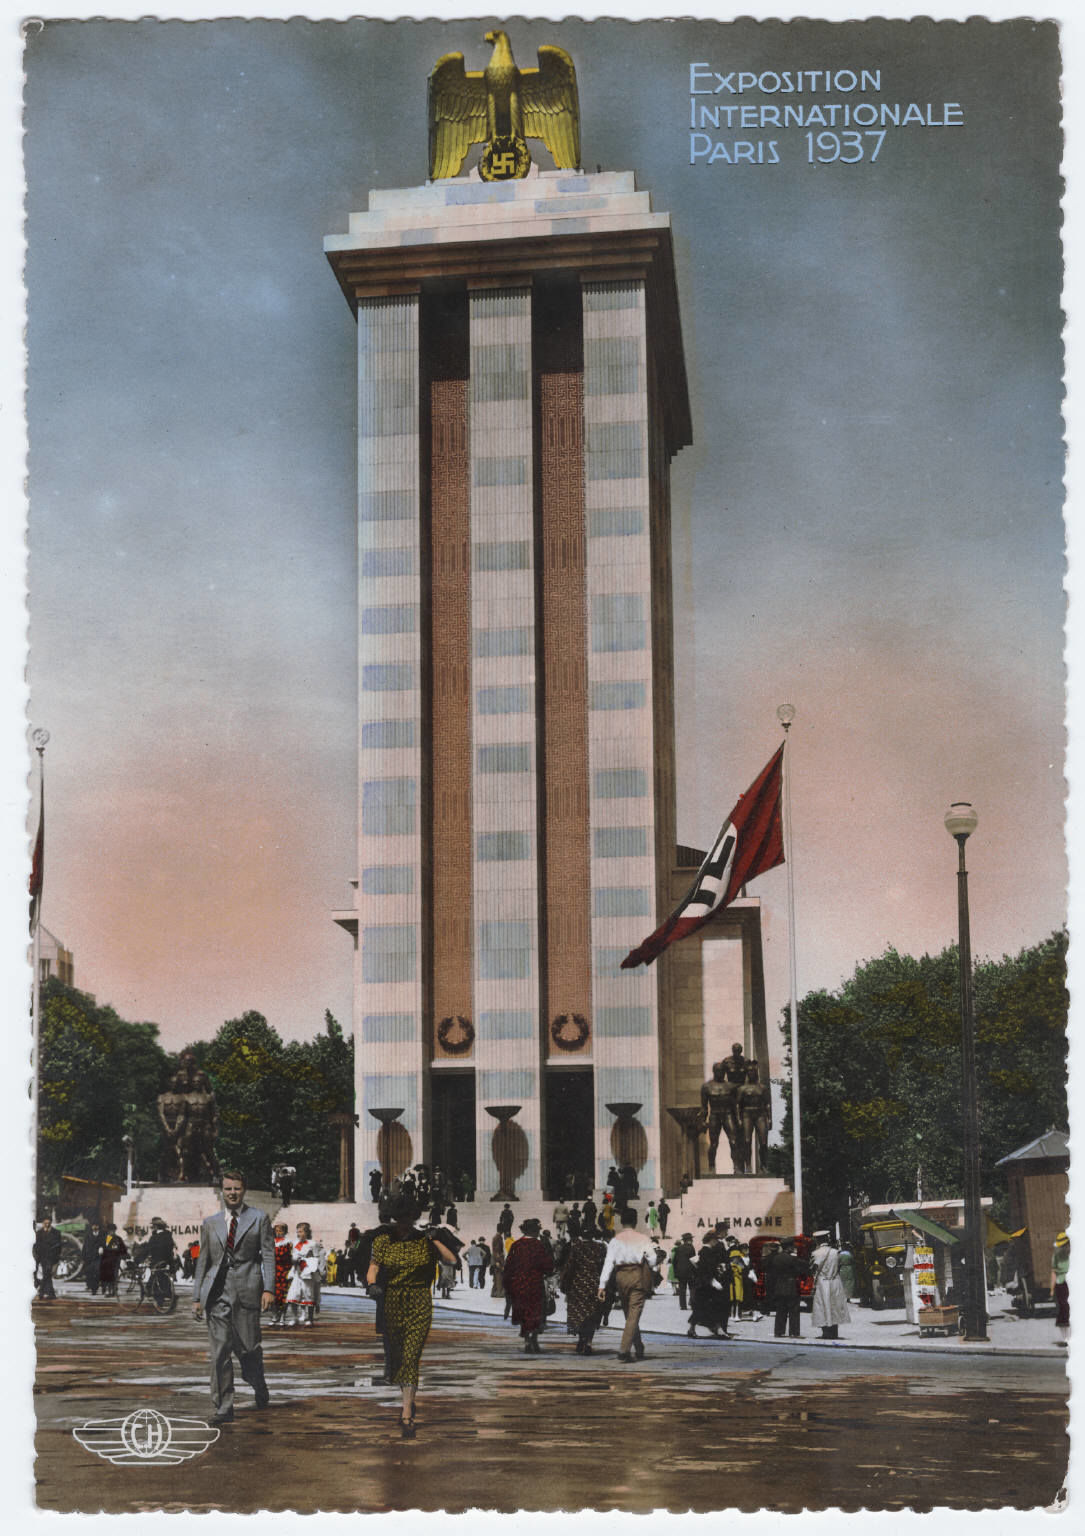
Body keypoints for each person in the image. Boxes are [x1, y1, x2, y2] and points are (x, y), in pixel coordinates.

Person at [367, 1191, 459, 1437]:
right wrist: (372, 1284)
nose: (403, 1222)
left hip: (419, 1300)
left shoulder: (425, 1240)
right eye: (399, 1218)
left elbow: (451, 1261)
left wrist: (436, 1240)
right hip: (392, 1301)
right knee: (398, 1356)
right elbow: (373, 1267)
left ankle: (406, 1410)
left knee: (411, 1355)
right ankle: (408, 1398)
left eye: (407, 1217)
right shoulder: (382, 1241)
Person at [192, 1169, 274, 1425]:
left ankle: (258, 1383)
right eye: (228, 1189)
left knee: (249, 1349)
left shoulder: (259, 1218)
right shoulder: (210, 1223)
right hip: (217, 1294)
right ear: (221, 1191)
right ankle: (224, 1406)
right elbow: (203, 1262)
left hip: (248, 1290)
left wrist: (269, 1289)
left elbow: (268, 1255)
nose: (232, 1193)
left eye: (237, 1188)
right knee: (219, 1352)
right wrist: (197, 1297)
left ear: (244, 1190)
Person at [598, 1208, 659, 1363]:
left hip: (620, 1276)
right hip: (637, 1275)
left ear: (621, 1221)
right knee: (634, 1313)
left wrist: (602, 1285)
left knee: (630, 1314)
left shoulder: (615, 1240)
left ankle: (638, 1346)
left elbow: (608, 1263)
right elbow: (652, 1261)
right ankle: (624, 1350)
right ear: (636, 1220)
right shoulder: (643, 1238)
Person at [502, 1218, 555, 1353]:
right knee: (536, 1312)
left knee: (524, 1312)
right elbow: (548, 1265)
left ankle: (526, 1339)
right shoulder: (540, 1245)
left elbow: (508, 1266)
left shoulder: (516, 1245)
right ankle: (534, 1338)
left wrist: (507, 1285)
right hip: (535, 1283)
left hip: (518, 1284)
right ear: (536, 1231)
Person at [561, 1228, 606, 1354]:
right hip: (594, 1285)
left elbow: (569, 1267)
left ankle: (581, 1338)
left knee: (580, 1313)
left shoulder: (576, 1247)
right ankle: (589, 1342)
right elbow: (603, 1266)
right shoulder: (600, 1248)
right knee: (592, 1314)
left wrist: (564, 1284)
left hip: (578, 1286)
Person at [687, 1230, 732, 1340]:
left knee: (703, 1309)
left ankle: (693, 1329)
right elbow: (705, 1270)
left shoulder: (706, 1251)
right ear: (712, 1240)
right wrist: (713, 1281)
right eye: (716, 1240)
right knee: (707, 1308)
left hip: (705, 1285)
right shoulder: (706, 1252)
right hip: (705, 1285)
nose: (717, 1242)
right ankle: (718, 1330)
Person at [766, 1236, 809, 1339]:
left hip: (779, 1285)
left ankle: (778, 1332)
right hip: (791, 1285)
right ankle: (793, 1332)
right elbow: (799, 1271)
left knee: (781, 1310)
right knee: (793, 1310)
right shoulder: (793, 1259)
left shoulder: (776, 1258)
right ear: (789, 1247)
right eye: (792, 1246)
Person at [810, 1231, 851, 1340]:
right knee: (835, 1306)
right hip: (835, 1281)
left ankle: (826, 1333)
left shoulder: (816, 1253)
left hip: (823, 1282)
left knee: (822, 1307)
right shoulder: (835, 1252)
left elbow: (813, 1269)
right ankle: (834, 1332)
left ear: (817, 1240)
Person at [286, 1222, 320, 1326]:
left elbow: (317, 1258)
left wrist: (307, 1260)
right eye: (297, 1232)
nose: (298, 1234)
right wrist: (294, 1260)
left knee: (308, 1294)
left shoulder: (313, 1244)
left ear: (306, 1232)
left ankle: (309, 1318)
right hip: (297, 1272)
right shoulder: (295, 1243)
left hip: (307, 1273)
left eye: (300, 1231)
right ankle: (294, 1317)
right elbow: (291, 1257)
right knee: (293, 1294)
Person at [146, 1217, 178, 1306]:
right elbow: (170, 1251)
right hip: (167, 1262)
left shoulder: (154, 1237)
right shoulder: (168, 1236)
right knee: (163, 1279)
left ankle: (159, 1299)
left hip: (156, 1262)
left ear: (156, 1227)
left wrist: (137, 1260)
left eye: (153, 1226)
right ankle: (167, 1295)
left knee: (155, 1279)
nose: (152, 1228)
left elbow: (147, 1250)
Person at [34, 1217, 62, 1300]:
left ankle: (42, 1292)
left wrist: (56, 1257)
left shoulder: (56, 1233)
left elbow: (59, 1246)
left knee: (47, 1274)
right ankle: (50, 1293)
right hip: (42, 1257)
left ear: (50, 1223)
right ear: (43, 1223)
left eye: (48, 1223)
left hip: (51, 1257)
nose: (46, 1225)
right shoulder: (39, 1233)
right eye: (45, 1223)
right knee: (47, 1275)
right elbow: (37, 1246)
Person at [269, 1221, 292, 1325]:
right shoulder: (270, 1242)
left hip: (284, 1271)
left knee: (283, 1294)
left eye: (280, 1231)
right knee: (272, 1293)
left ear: (285, 1232)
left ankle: (283, 1315)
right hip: (273, 1270)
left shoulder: (288, 1242)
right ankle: (274, 1315)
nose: (278, 1233)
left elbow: (289, 1257)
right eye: (276, 1231)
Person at [1050, 1230, 1070, 1347]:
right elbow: (1053, 1272)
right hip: (1061, 1283)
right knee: (1063, 1309)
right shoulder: (1056, 1256)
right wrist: (1052, 1288)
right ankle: (1065, 1338)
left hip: (1072, 1282)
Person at [99, 1224, 128, 1297]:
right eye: (110, 1231)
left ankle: (113, 1290)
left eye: (113, 1231)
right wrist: (100, 1249)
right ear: (108, 1231)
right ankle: (107, 1290)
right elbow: (100, 1247)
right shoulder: (104, 1238)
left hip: (115, 1260)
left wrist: (124, 1256)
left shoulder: (118, 1239)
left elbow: (123, 1249)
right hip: (105, 1261)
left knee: (114, 1276)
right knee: (106, 1276)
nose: (112, 1232)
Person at [672, 1233, 696, 1311]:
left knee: (682, 1289)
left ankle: (683, 1306)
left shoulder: (678, 1248)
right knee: (692, 1288)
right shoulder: (691, 1248)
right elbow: (693, 1260)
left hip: (680, 1272)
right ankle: (692, 1303)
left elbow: (674, 1261)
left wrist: (676, 1271)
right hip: (690, 1271)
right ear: (689, 1240)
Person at [82, 1220, 103, 1295]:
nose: (95, 1227)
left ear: (98, 1226)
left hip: (98, 1257)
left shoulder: (103, 1234)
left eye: (96, 1225)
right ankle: (90, 1286)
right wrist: (83, 1257)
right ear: (91, 1227)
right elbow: (84, 1247)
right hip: (89, 1257)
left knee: (97, 1273)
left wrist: (102, 1247)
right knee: (89, 1273)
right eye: (93, 1225)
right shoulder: (88, 1235)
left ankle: (94, 1289)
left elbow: (106, 1243)